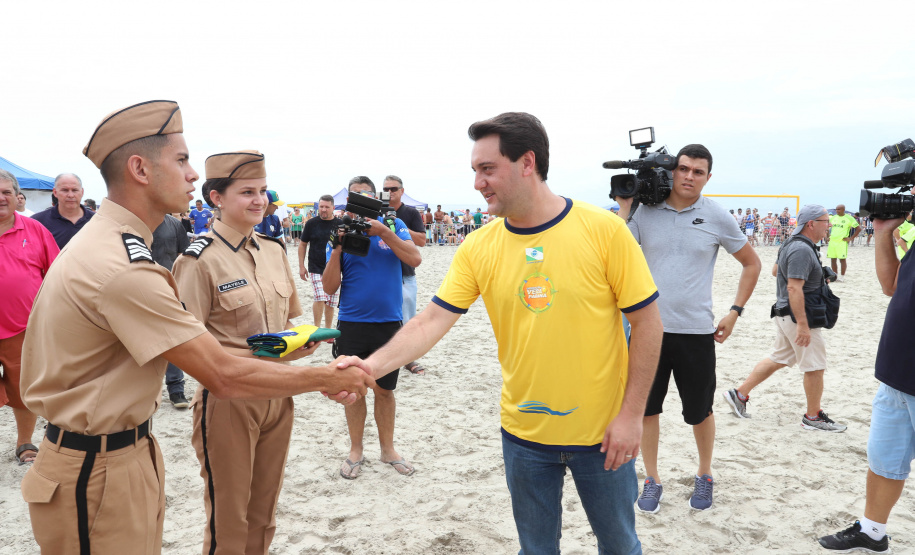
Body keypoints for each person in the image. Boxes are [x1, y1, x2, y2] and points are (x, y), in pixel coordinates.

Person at [18, 100, 374, 554]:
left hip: (123, 450)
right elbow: (219, 373)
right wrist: (324, 376)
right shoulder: (122, 265)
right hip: (97, 462)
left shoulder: (118, 248)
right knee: (228, 521)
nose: (192, 175)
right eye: (182, 160)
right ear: (140, 169)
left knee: (259, 518)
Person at [336, 112, 664, 553]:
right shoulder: (479, 246)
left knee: (621, 546)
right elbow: (432, 320)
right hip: (524, 436)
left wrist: (630, 417)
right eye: (475, 170)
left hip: (604, 436)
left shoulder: (603, 230)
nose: (477, 183)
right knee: (536, 549)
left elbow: (648, 323)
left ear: (527, 162)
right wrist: (368, 366)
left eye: (487, 169)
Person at [172, 150, 312, 554]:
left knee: (264, 512)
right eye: (247, 192)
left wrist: (303, 340)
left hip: (279, 393)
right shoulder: (197, 261)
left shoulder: (273, 250)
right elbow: (188, 350)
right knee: (229, 519)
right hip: (229, 402)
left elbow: (287, 324)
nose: (259, 200)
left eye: (263, 191)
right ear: (216, 197)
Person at [617, 143, 761, 513]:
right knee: (648, 410)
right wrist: (625, 206)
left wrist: (735, 311)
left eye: (698, 172)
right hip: (648, 330)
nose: (689, 177)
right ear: (672, 169)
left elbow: (751, 264)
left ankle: (704, 473)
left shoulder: (716, 215)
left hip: (696, 331)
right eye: (684, 169)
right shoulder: (645, 212)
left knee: (699, 410)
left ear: (708, 177)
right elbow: (613, 250)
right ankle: (652, 478)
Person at [816, 211, 915, 553]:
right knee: (884, 460)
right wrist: (885, 232)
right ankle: (873, 531)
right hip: (896, 374)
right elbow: (892, 285)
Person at [324, 176, 422, 480]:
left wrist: (382, 231)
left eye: (367, 197)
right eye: (356, 198)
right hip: (352, 324)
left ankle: (388, 449)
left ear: (375, 198)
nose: (362, 203)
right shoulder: (339, 232)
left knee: (385, 390)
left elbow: (414, 258)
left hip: (389, 325)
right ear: (348, 202)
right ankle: (355, 450)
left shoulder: (391, 225)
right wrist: (338, 249)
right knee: (353, 391)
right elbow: (329, 287)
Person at [723, 205, 846, 431]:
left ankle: (739, 395)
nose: (829, 225)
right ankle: (813, 416)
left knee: (779, 358)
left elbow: (775, 271)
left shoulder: (791, 243)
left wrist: (816, 277)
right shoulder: (801, 249)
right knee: (815, 367)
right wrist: (802, 326)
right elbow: (793, 288)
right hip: (798, 316)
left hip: (783, 313)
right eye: (825, 221)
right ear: (811, 224)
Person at [0, 170, 59, 465]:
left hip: (24, 330)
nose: (0, 198)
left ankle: (25, 443)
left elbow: (58, 275)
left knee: (24, 389)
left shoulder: (35, 230)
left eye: (6, 192)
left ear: (16, 196)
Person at [383, 175, 428, 376]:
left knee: (408, 319)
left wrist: (398, 227)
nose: (390, 192)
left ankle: (409, 359)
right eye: (386, 189)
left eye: (393, 188)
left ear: (402, 190)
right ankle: (388, 357)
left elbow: (421, 240)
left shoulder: (410, 213)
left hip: (405, 273)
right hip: (381, 273)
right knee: (384, 318)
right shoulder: (376, 212)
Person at [151, 213, 191, 408]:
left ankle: (176, 389)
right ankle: (145, 393)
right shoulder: (128, 223)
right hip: (137, 292)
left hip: (169, 290)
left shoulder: (174, 224)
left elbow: (184, 256)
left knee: (174, 338)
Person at [299, 195, 341, 328]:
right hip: (315, 267)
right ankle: (317, 329)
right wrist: (301, 266)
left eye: (326, 207)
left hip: (335, 268)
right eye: (321, 206)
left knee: (331, 301)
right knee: (320, 297)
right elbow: (302, 244)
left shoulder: (340, 224)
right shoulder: (311, 223)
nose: (323, 209)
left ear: (333, 208)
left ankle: (327, 330)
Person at [31, 173, 94, 249]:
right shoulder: (37, 222)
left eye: (74, 190)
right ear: (55, 192)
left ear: (82, 192)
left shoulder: (96, 220)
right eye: (65, 190)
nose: (70, 195)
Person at [827, 204, 860, 281]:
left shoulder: (849, 218)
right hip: (832, 241)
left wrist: (851, 238)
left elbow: (858, 228)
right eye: (836, 209)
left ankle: (842, 277)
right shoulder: (833, 218)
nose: (837, 211)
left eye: (839, 209)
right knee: (833, 259)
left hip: (842, 242)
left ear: (843, 210)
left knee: (842, 259)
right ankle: (835, 276)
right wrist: (827, 236)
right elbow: (827, 227)